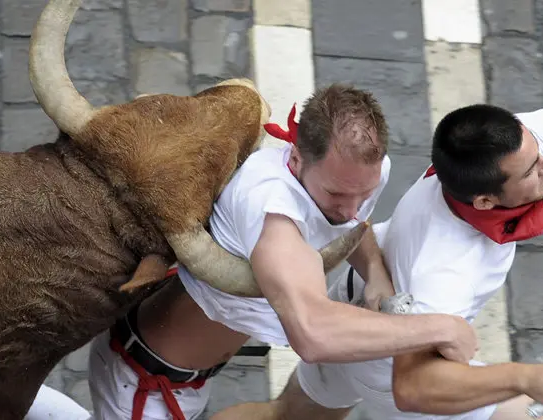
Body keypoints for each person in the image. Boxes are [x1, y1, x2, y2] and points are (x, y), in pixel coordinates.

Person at [213, 97, 543, 420]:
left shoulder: (500, 148)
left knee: (285, 417)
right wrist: (525, 378)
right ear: (485, 201)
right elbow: (414, 386)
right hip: (394, 364)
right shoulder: (447, 268)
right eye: (532, 170)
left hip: (354, 303)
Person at [83, 84, 480, 420]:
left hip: (194, 373)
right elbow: (312, 335)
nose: (353, 208)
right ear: (295, 157)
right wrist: (442, 328)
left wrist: (375, 272)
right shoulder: (271, 210)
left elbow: (351, 229)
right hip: (143, 384)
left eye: (365, 193)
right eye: (338, 194)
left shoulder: (354, 177)